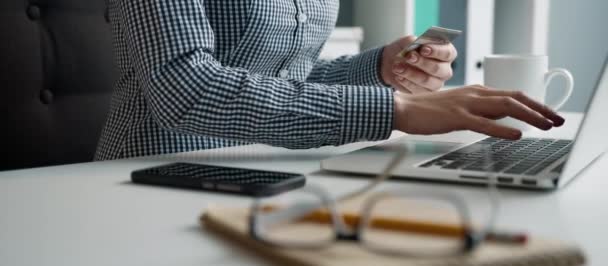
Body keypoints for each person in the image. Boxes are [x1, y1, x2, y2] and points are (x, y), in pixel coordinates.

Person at [95, 0, 564, 161]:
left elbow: (291, 78)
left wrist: (379, 69)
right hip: (147, 175)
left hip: (269, 170)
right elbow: (186, 87)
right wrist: (396, 110)